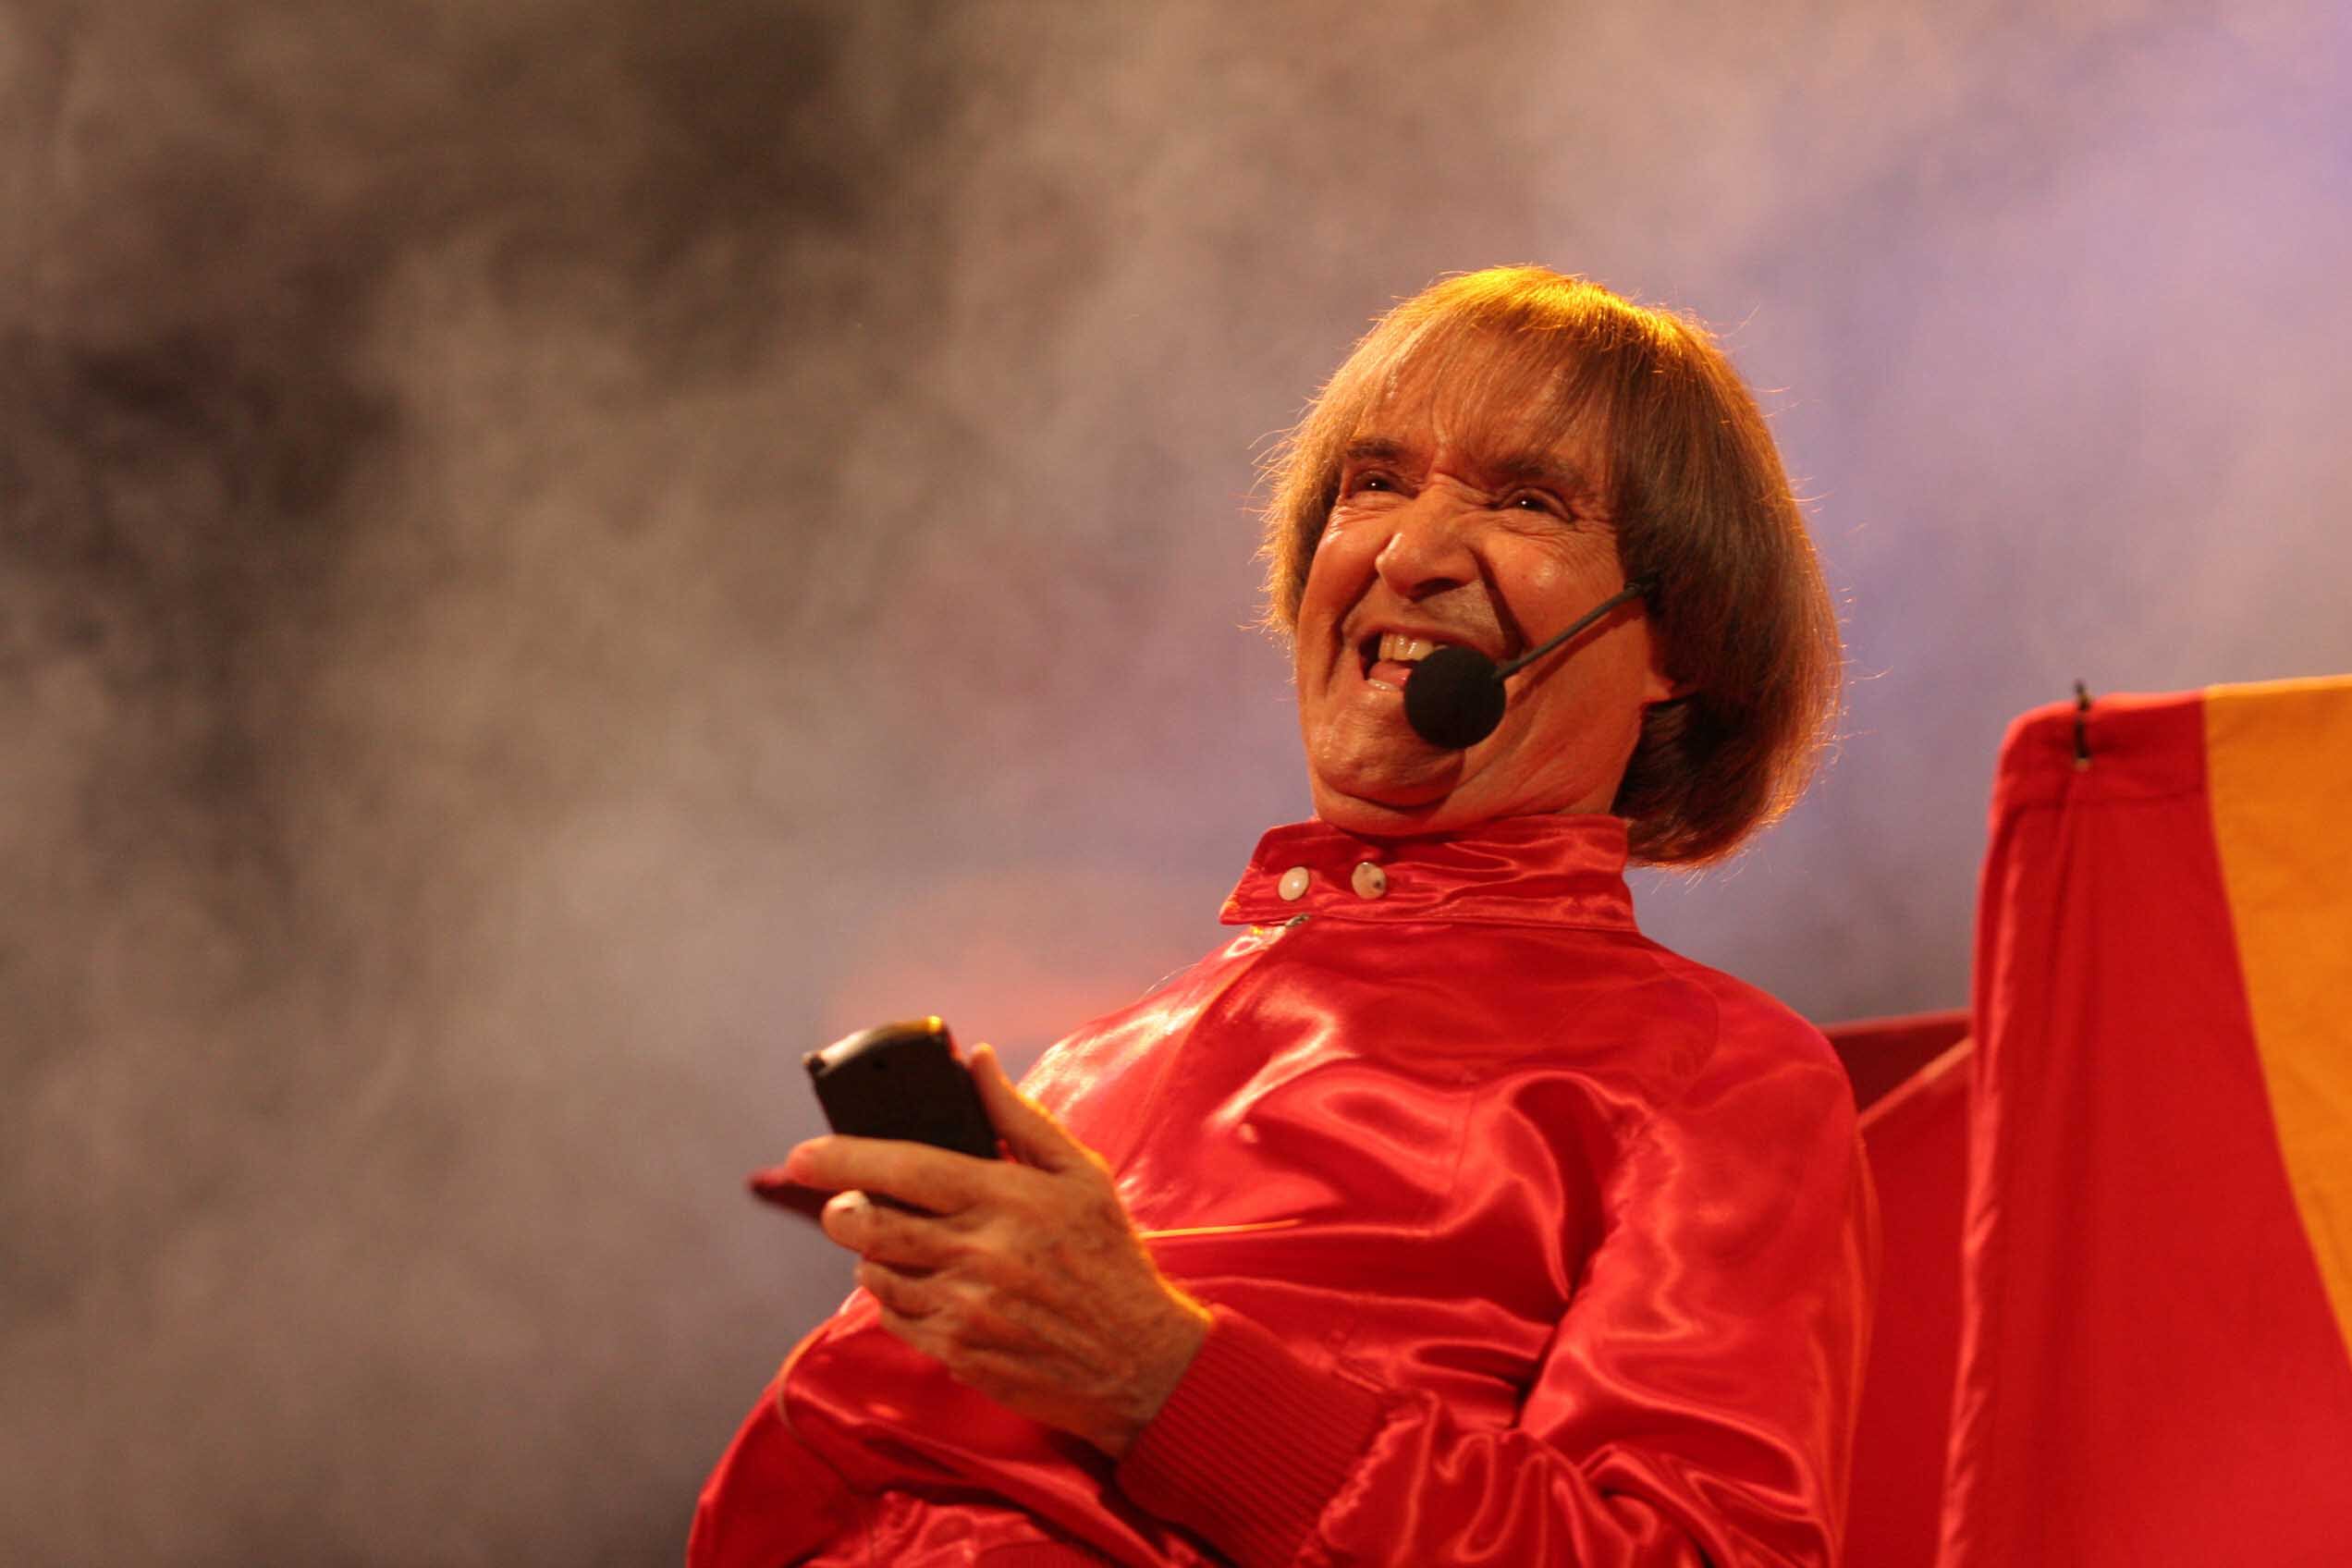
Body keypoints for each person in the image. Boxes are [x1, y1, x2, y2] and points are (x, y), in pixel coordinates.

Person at [692, 266, 1872, 1567]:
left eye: (1526, 500)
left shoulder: (1721, 1080)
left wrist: (1162, 1381)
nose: (1408, 556)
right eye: (1373, 484)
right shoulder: (1090, 1067)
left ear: (1678, 644)